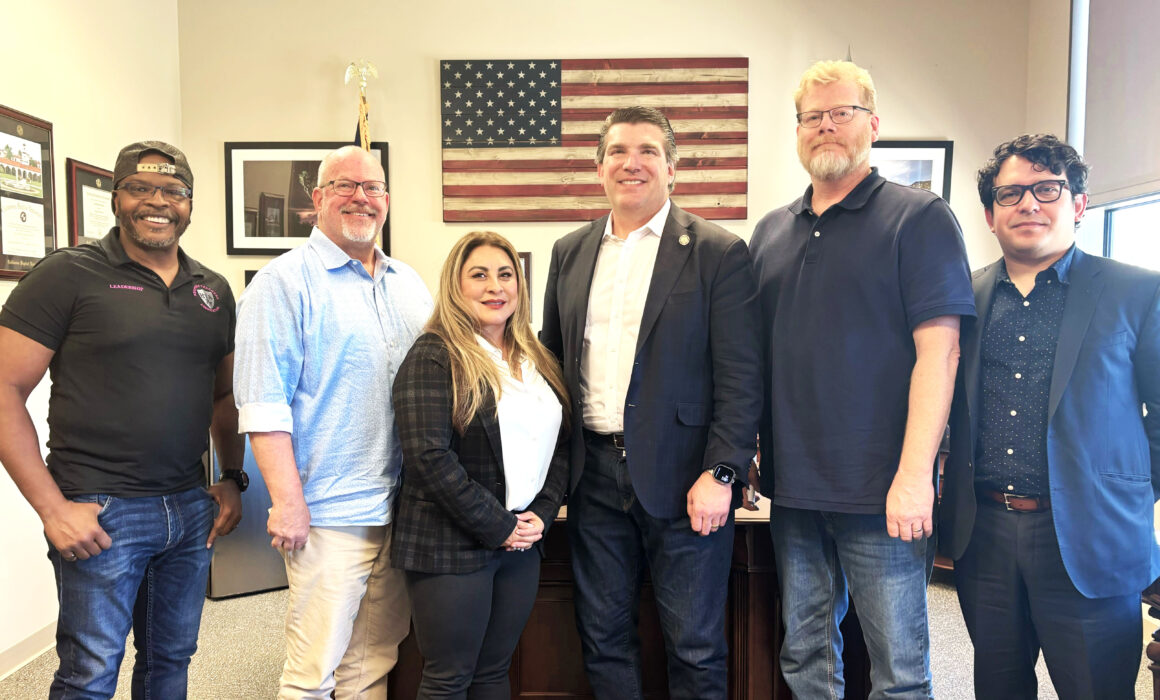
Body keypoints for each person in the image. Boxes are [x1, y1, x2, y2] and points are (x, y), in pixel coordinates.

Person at [749, 60, 975, 699]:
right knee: (806, 658)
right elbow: (759, 356)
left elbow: (941, 355)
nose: (826, 126)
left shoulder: (919, 218)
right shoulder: (770, 232)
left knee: (898, 673)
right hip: (794, 492)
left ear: (872, 124)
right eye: (812, 116)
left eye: (841, 112)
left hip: (883, 492)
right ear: (797, 131)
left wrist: (914, 476)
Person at [0, 140, 245, 698]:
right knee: (90, 674)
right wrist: (52, 509)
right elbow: (4, 389)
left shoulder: (212, 289)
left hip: (189, 508)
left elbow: (224, 395)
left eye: (174, 191)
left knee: (171, 661)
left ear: (190, 203)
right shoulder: (68, 274)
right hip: (100, 512)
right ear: (116, 198)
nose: (157, 202)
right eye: (140, 188)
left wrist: (232, 477)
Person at [540, 106, 760, 699]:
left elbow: (741, 378)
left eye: (647, 152)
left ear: (671, 168)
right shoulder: (570, 252)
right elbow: (552, 366)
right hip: (592, 478)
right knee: (603, 639)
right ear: (599, 168)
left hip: (687, 480)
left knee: (695, 647)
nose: (630, 163)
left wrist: (723, 472)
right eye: (617, 151)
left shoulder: (717, 252)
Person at [939, 133, 1160, 699]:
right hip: (984, 534)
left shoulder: (1138, 291)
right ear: (990, 215)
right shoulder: (962, 297)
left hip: (1093, 536)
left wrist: (1126, 493)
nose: (1028, 204)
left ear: (1078, 203)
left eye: (1046, 189)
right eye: (1010, 194)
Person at [233, 145, 432, 700]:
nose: (360, 197)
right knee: (312, 672)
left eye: (372, 188)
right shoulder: (282, 283)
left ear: (386, 200)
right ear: (318, 198)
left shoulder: (408, 283)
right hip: (329, 513)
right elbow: (263, 405)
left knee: (373, 659)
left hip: (402, 508)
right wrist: (287, 503)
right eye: (345, 185)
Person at [392, 230, 569, 699]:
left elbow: (561, 444)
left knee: (494, 672)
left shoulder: (536, 358)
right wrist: (499, 526)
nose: (495, 286)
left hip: (520, 543)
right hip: (450, 545)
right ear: (456, 285)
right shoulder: (434, 355)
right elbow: (428, 457)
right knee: (449, 677)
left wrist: (541, 514)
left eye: (506, 275)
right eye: (480, 275)